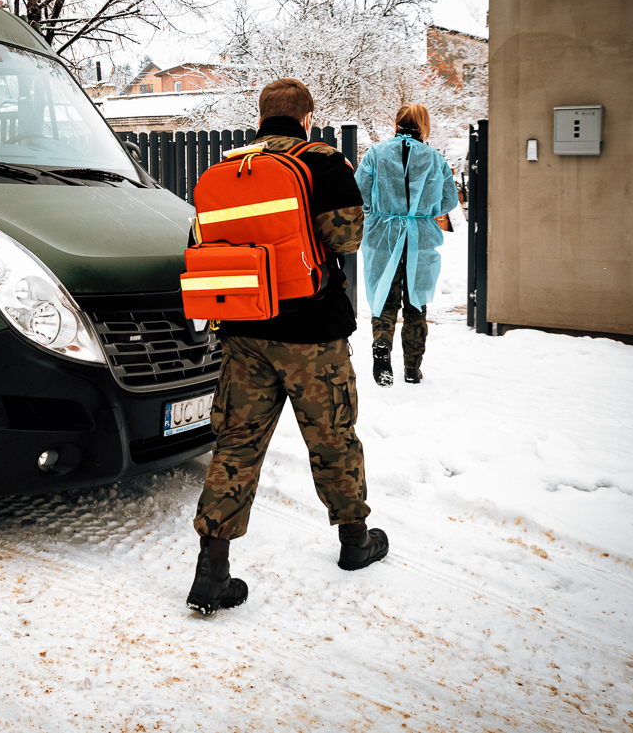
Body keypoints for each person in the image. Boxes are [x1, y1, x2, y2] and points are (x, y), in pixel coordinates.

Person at [187, 78, 388, 616]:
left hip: (244, 331)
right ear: (307, 117)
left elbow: (201, 246)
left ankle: (211, 572)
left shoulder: (227, 171)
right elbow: (345, 240)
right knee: (332, 438)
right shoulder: (324, 163)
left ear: (260, 117)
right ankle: (354, 543)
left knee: (235, 446)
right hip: (314, 335)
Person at [355, 104, 459, 388]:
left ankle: (381, 344)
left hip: (382, 236)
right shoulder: (435, 159)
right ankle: (413, 369)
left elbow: (359, 191)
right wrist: (425, 208)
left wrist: (378, 209)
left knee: (385, 298)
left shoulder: (376, 154)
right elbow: (449, 200)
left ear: (396, 123)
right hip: (420, 237)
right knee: (416, 303)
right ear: (424, 125)